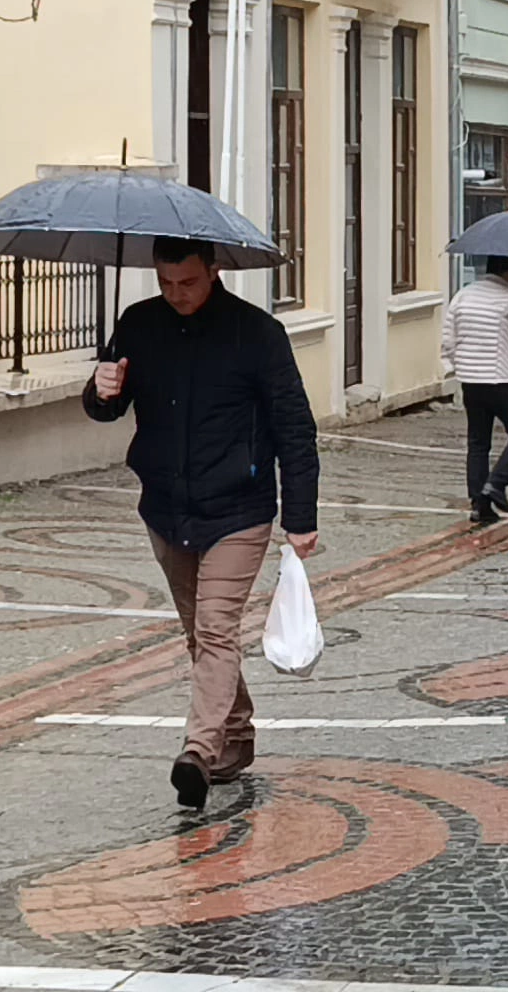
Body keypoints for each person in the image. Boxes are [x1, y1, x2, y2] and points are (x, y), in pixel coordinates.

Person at [83, 235, 319, 810]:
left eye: (187, 282)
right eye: (165, 283)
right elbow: (106, 406)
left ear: (212, 272)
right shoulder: (138, 323)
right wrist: (100, 390)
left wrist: (301, 517)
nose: (176, 294)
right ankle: (235, 737)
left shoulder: (257, 334)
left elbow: (295, 426)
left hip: (239, 508)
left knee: (216, 629)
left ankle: (198, 751)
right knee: (201, 634)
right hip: (165, 508)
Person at [441, 255, 508, 525]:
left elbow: (448, 340)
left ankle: (479, 503)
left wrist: (460, 366)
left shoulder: (462, 297)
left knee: (478, 443)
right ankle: (496, 484)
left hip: (472, 382)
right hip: (505, 380)